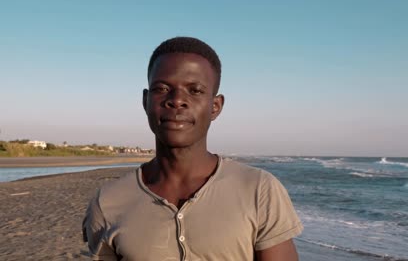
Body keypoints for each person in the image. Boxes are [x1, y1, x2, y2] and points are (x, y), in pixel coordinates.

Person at [82, 37, 303, 261]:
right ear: (146, 101)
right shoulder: (108, 202)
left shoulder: (260, 190)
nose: (177, 100)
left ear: (215, 107)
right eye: (162, 88)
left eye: (195, 91)